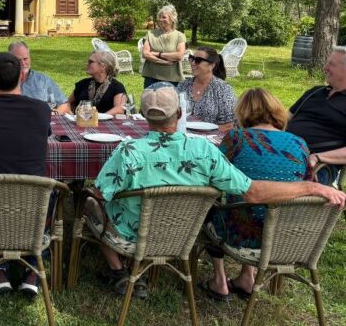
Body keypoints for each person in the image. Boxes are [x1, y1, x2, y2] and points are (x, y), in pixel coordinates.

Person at [86, 83, 345, 299]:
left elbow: (99, 192)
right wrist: (311, 186)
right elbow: (251, 191)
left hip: (132, 234)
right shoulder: (205, 151)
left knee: (88, 202)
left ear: (143, 115)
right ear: (179, 113)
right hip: (184, 233)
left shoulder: (128, 151)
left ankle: (118, 270)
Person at [203, 88, 311, 301]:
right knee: (257, 207)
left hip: (244, 234)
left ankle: (220, 280)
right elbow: (308, 184)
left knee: (209, 207)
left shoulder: (236, 138)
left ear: (242, 112)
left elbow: (214, 176)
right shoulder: (299, 143)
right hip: (287, 233)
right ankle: (246, 277)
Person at [0, 51, 52, 297]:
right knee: (48, 196)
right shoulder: (41, 110)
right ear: (22, 77)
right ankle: (33, 267)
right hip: (34, 203)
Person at [287, 47, 346, 177]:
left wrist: (317, 157)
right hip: (282, 152)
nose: (325, 68)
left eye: (331, 64)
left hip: (317, 165)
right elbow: (284, 118)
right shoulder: (316, 91)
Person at [0, 41, 69, 113]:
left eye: (25, 59)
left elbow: (65, 104)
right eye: (18, 60)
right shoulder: (3, 81)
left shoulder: (43, 80)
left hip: (41, 120)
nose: (23, 63)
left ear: (30, 57)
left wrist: (52, 115)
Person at [176, 47, 237, 132]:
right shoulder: (183, 85)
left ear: (212, 65)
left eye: (198, 60)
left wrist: (208, 133)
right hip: (183, 134)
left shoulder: (223, 89)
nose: (192, 63)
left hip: (212, 137)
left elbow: (230, 124)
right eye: (192, 58)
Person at [140, 4, 187, 87]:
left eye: (164, 17)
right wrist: (164, 62)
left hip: (171, 79)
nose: (160, 19)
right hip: (151, 77)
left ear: (172, 19)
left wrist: (157, 54)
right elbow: (145, 54)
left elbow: (179, 55)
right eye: (159, 17)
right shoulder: (150, 34)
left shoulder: (180, 36)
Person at [68, 50, 127, 115]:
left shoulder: (116, 86)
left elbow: (119, 109)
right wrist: (72, 115)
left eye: (91, 62)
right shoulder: (82, 84)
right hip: (81, 120)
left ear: (103, 67)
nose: (87, 64)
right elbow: (67, 103)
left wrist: (101, 117)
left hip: (106, 121)